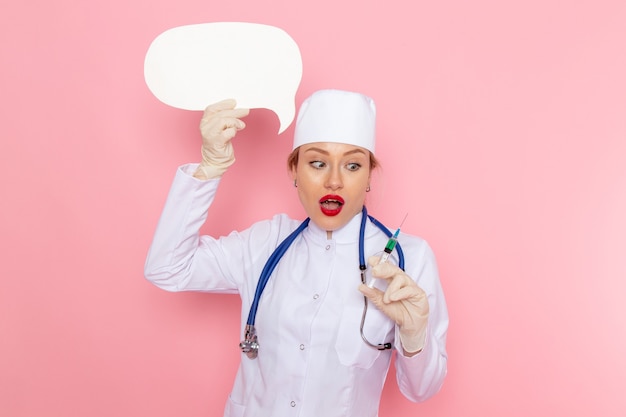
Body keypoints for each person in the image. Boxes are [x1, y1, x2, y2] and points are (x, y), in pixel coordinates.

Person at [144, 89, 448, 417]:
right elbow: (167, 267)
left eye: (352, 165)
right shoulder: (264, 243)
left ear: (369, 176)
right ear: (294, 171)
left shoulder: (409, 260)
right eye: (317, 163)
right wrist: (210, 168)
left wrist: (416, 335)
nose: (334, 181)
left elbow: (422, 391)